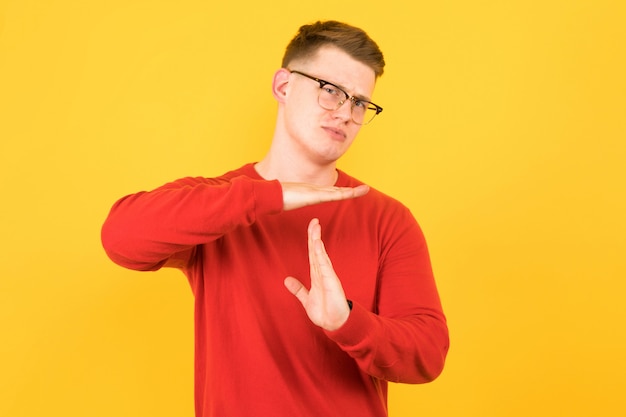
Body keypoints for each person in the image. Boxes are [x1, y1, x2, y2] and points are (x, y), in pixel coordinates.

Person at [101, 20, 449, 417]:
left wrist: (347, 322)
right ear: (283, 86)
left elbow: (427, 353)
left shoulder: (387, 219)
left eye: (359, 102)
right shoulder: (221, 201)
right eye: (330, 90)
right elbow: (121, 237)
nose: (345, 114)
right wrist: (267, 196)